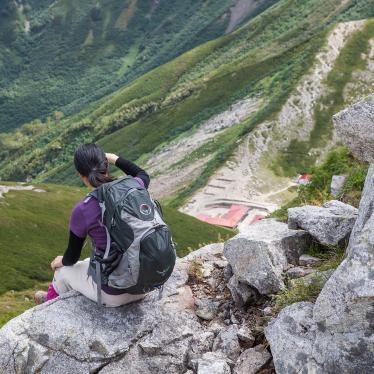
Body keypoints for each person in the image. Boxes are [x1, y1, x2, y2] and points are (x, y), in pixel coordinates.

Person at [34, 143, 150, 307]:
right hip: (148, 281)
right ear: (106, 165)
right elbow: (142, 173)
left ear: (80, 175)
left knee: (63, 271)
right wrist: (115, 159)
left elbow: (72, 258)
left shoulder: (83, 209)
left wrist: (61, 261)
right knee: (89, 261)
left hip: (116, 293)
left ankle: (48, 306)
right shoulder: (133, 186)